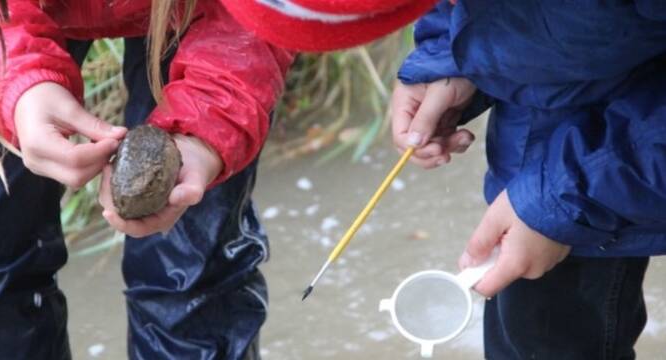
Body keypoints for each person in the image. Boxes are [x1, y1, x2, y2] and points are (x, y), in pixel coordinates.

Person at [219, 0, 666, 358]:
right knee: (530, 328)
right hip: (545, 145)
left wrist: (568, 196)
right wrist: (451, 60)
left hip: (621, 169)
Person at [0, 0, 292, 358]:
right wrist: (19, 81)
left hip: (208, 15)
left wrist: (208, 130)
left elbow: (259, 15)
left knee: (193, 275)